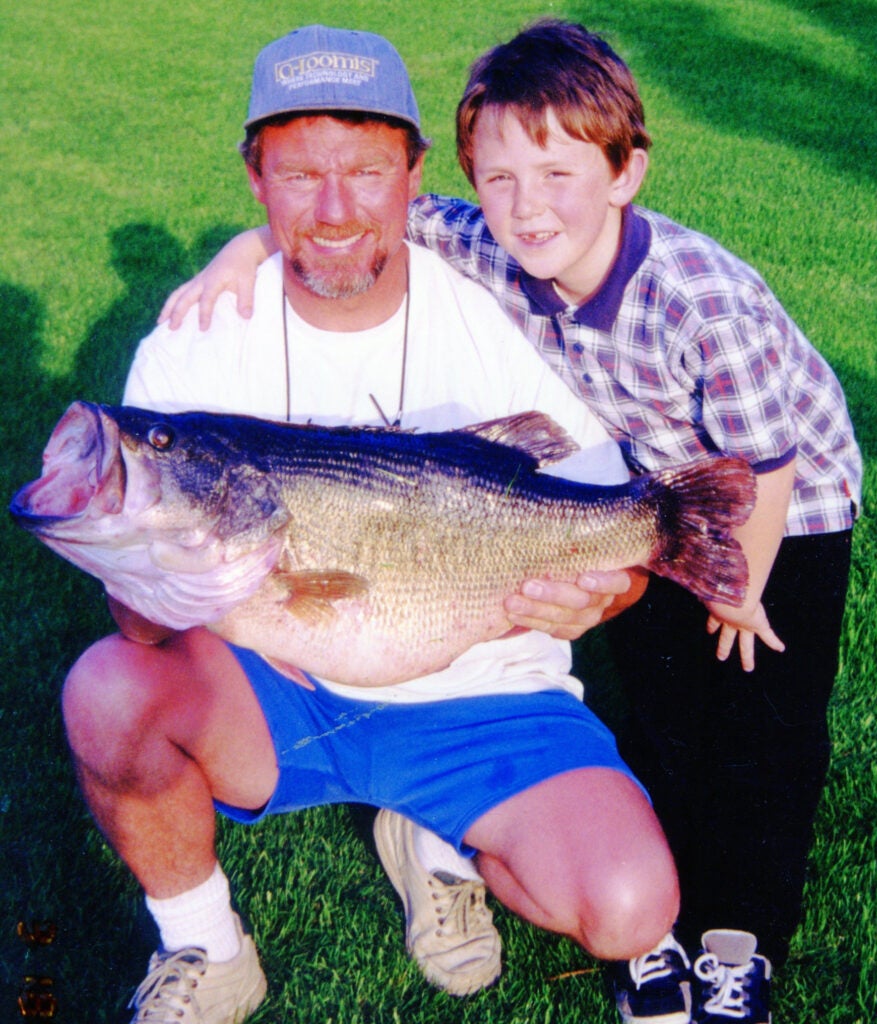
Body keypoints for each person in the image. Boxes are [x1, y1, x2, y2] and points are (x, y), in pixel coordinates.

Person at [162, 18, 864, 1024]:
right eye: (499, 179)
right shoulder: (491, 238)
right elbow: (374, 215)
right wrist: (244, 247)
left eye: (558, 176)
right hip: (652, 485)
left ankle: (737, 935)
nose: (527, 209)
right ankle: (659, 912)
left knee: (760, 718)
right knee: (663, 704)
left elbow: (774, 457)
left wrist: (739, 588)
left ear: (627, 171)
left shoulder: (704, 305)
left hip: (789, 504)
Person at [63, 25, 698, 1024]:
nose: (333, 210)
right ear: (254, 177)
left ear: (413, 171)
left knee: (629, 907)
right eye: (299, 172)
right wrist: (139, 583)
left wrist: (603, 588)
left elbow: (598, 524)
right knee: (106, 687)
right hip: (276, 687)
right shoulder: (195, 341)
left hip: (485, 691)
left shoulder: (488, 316)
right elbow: (146, 630)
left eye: (365, 170)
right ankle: (206, 946)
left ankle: (437, 832)